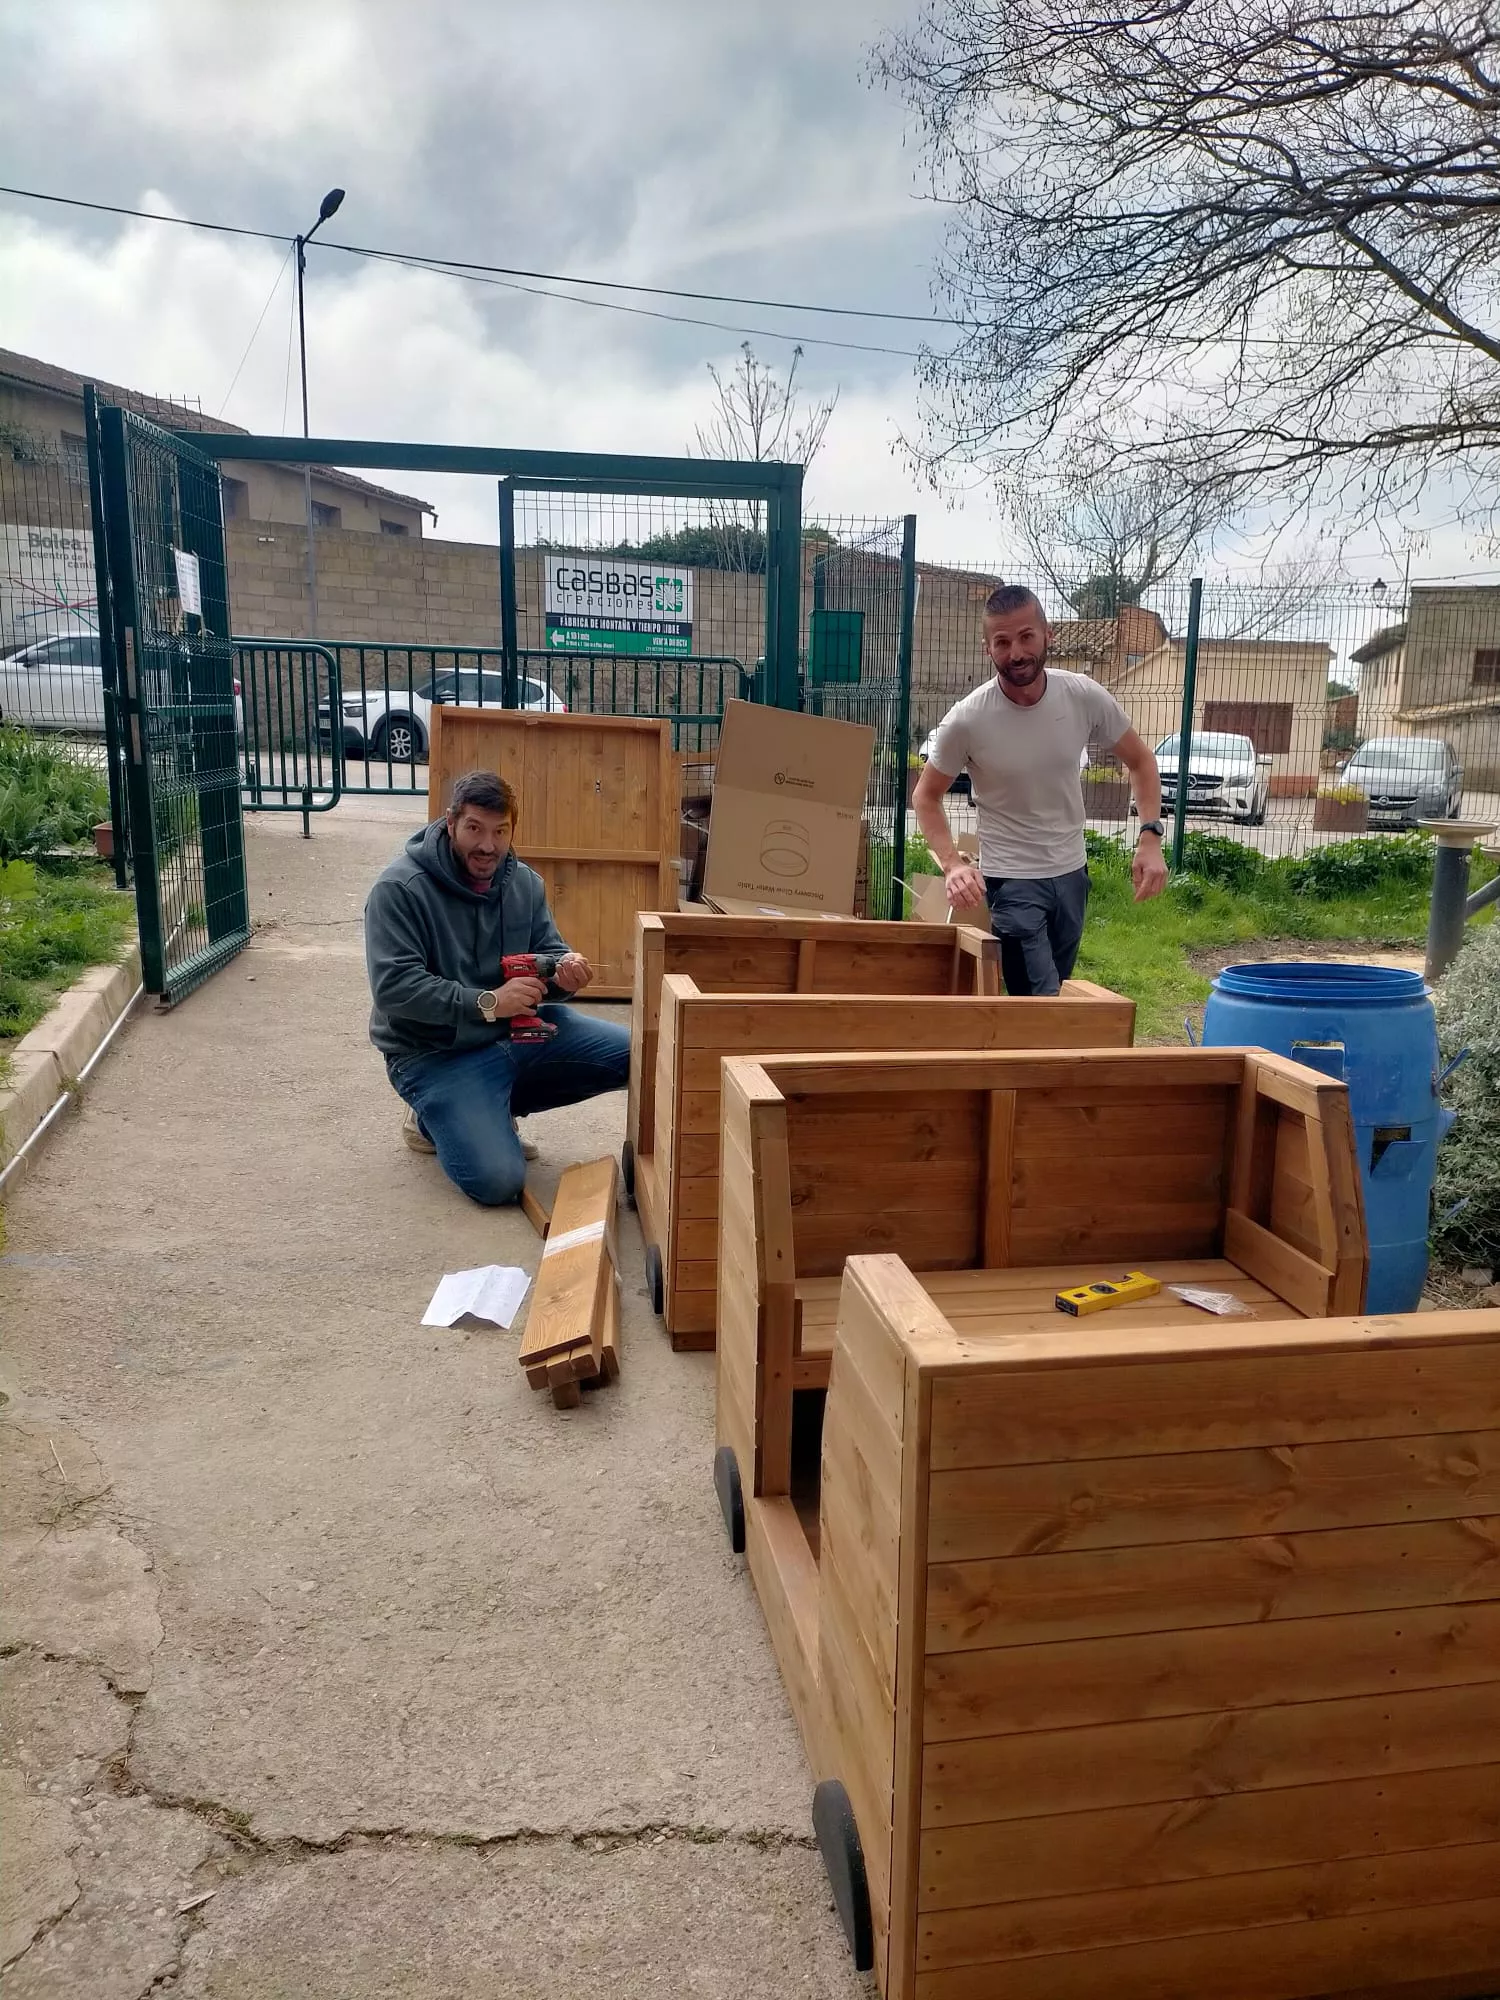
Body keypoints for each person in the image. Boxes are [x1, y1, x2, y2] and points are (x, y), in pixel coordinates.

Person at [364, 769, 630, 1206]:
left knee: (640, 1055)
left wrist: (563, 974)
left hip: (517, 1033)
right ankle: (432, 1118)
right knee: (499, 1181)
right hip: (435, 1053)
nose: (487, 845)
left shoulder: (523, 883)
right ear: (450, 823)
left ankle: (490, 1109)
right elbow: (394, 988)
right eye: (474, 829)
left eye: (500, 831)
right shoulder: (401, 889)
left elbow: (547, 952)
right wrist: (489, 1002)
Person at [912, 582, 1168, 995]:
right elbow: (925, 796)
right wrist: (953, 865)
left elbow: (1141, 761)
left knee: (1054, 992)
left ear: (1048, 635)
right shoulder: (968, 720)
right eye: (1002, 641)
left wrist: (1150, 837)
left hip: (1071, 875)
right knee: (1042, 999)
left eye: (1026, 636)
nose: (1016, 653)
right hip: (1011, 881)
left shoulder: (1081, 695)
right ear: (988, 649)